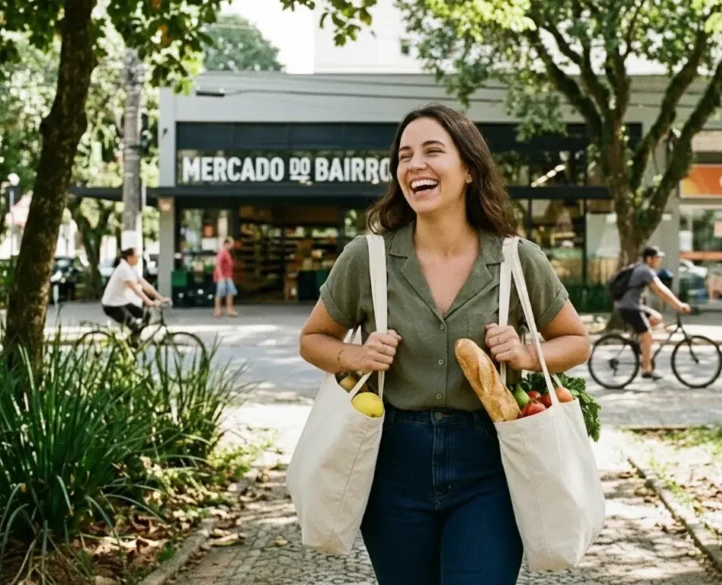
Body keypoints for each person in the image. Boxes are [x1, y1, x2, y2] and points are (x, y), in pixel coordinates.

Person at [297, 104, 590, 585]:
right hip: (391, 460)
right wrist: (355, 355)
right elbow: (313, 339)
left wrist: (521, 354)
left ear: (469, 168)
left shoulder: (517, 260)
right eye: (405, 155)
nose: (415, 165)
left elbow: (576, 342)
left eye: (433, 151)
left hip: (490, 463)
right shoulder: (368, 257)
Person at [614, 246, 691, 381]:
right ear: (649, 259)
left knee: (657, 318)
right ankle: (646, 369)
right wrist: (678, 305)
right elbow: (660, 290)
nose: (659, 261)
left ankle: (641, 343)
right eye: (657, 258)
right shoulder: (645, 271)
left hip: (633, 306)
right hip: (629, 308)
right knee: (648, 335)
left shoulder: (641, 268)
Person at [101, 247, 167, 342]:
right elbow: (136, 289)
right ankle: (130, 347)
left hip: (121, 302)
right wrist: (148, 301)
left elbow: (146, 285)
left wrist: (161, 298)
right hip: (111, 305)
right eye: (137, 257)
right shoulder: (123, 269)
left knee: (144, 314)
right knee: (134, 325)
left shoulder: (131, 269)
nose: (138, 259)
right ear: (129, 257)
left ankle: (133, 341)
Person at [214, 237, 238, 318]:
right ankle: (217, 311)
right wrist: (220, 276)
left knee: (230, 293)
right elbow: (218, 264)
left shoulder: (227, 252)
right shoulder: (222, 252)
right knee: (220, 293)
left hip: (228, 276)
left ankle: (229, 310)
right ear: (226, 243)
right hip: (223, 277)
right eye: (232, 243)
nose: (233, 245)